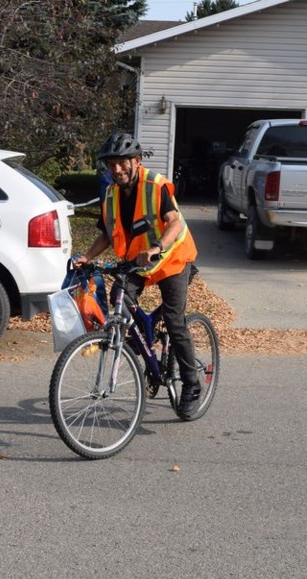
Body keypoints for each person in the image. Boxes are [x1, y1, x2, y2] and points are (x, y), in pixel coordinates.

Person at [74, 132, 202, 417]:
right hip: (137, 262)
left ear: (137, 160)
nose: (117, 170)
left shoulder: (156, 186)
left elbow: (175, 225)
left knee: (173, 319)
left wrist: (157, 247)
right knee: (120, 297)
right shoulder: (110, 193)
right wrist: (87, 257)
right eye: (111, 165)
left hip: (172, 259)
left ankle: (192, 385)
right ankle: (144, 352)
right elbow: (106, 235)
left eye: (122, 163)